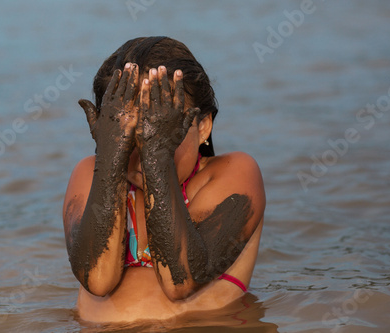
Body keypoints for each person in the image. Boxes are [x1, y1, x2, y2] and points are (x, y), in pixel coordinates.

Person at [63, 36, 265, 323]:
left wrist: (157, 154)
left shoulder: (235, 172)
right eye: (129, 128)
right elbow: (97, 279)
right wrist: (111, 157)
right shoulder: (90, 172)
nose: (146, 140)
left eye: (163, 124)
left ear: (203, 126)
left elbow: (179, 281)